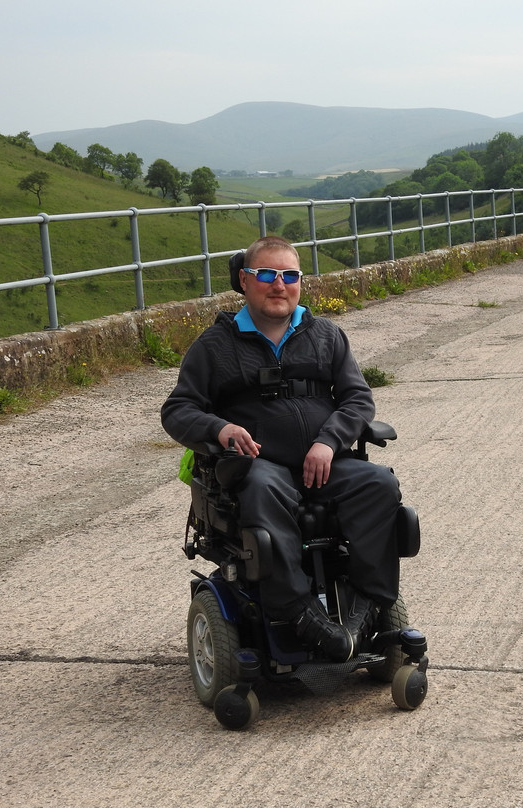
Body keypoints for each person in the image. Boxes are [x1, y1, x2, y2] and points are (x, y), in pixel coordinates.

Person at [161, 235, 401, 663]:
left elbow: (358, 400)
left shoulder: (325, 335)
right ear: (244, 280)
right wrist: (219, 429)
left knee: (378, 483)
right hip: (259, 467)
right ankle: (299, 613)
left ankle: (367, 606)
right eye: (267, 274)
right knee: (261, 486)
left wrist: (329, 441)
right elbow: (177, 411)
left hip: (324, 465)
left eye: (290, 275)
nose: (279, 284)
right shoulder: (215, 346)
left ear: (300, 283)